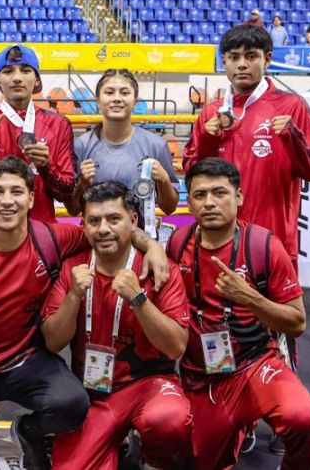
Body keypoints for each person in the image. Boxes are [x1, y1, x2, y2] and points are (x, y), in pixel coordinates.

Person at [0, 156, 170, 470]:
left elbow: (104, 232)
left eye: (16, 191)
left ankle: (27, 431)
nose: (7, 201)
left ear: (31, 197)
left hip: (29, 359)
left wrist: (152, 245)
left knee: (72, 405)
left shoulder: (50, 238)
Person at [171, 158, 310, 469]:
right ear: (190, 202)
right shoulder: (177, 243)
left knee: (302, 417)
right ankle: (238, 426)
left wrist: (249, 297)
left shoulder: (263, 245)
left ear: (238, 197)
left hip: (256, 363)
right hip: (203, 376)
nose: (209, 202)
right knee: (200, 459)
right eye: (199, 195)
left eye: (219, 193)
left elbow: (297, 323)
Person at [44, 181, 192, 469]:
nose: (103, 229)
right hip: (92, 391)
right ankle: (115, 441)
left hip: (148, 384)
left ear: (133, 221)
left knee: (168, 420)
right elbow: (52, 343)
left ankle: (153, 458)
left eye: (114, 219)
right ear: (83, 225)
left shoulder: (160, 269)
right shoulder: (72, 268)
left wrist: (139, 300)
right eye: (94, 221)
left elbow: (176, 348)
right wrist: (73, 295)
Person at [184, 24, 310, 268]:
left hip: (272, 238)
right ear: (224, 61)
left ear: (267, 59)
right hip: (218, 238)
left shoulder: (291, 107)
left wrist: (294, 137)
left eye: (251, 56)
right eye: (234, 57)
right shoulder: (211, 112)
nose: (242, 64)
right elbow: (190, 174)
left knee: (275, 307)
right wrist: (208, 142)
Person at [0, 43, 75, 224]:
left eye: (25, 71)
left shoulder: (58, 124)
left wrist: (45, 167)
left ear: (37, 80)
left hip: (42, 235)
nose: (17, 78)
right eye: (8, 71)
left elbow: (66, 191)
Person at [68, 69, 179, 233]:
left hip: (140, 240)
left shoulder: (155, 145)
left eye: (124, 92)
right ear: (98, 100)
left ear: (135, 101)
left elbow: (169, 208)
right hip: (97, 240)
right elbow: (72, 209)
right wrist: (82, 185)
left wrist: (163, 180)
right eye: (109, 92)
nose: (117, 98)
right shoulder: (82, 146)